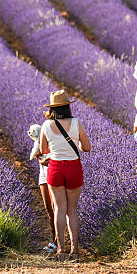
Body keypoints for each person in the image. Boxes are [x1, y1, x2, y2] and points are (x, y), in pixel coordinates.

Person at [33, 90, 91, 262]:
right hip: (73, 167)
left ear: (52, 109)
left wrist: (56, 146)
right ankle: (75, 251)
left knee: (59, 209)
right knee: (72, 210)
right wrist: (76, 145)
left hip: (56, 167)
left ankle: (61, 250)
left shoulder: (46, 125)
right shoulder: (76, 123)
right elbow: (87, 147)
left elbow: (44, 151)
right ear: (67, 107)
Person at [27, 124, 57, 253]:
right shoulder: (39, 142)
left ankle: (58, 241)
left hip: (54, 176)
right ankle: (55, 239)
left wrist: (45, 158)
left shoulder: (53, 140)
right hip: (43, 177)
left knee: (57, 209)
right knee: (49, 209)